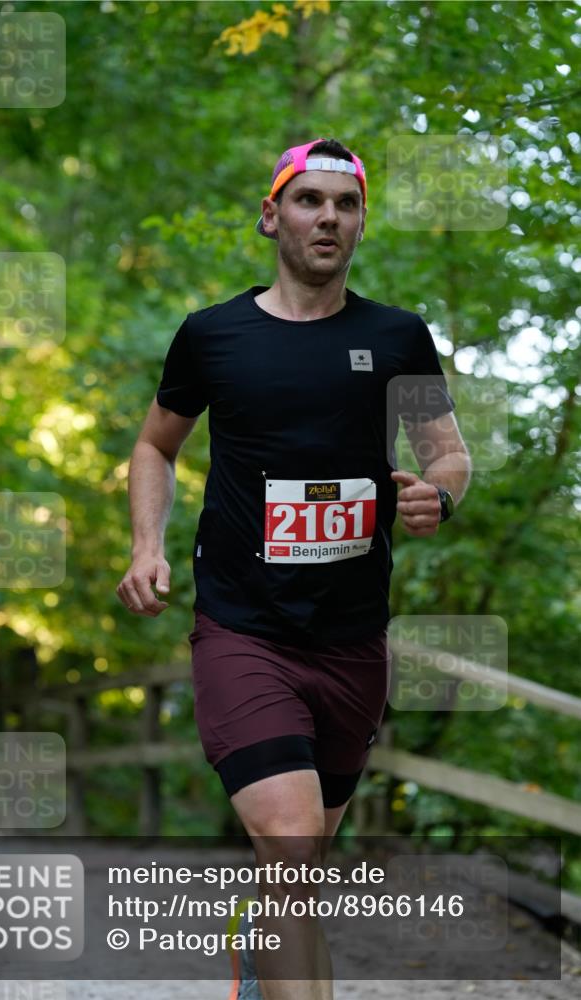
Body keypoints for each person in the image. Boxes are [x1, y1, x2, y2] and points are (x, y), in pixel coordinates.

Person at [117, 137, 472, 1000]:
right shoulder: (213, 335)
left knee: (298, 874)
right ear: (271, 214)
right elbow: (155, 446)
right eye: (309, 200)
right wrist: (146, 546)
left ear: (360, 223)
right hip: (244, 629)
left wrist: (437, 497)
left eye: (345, 205)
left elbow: (446, 453)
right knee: (291, 843)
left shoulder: (395, 337)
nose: (328, 218)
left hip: (350, 643)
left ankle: (254, 962)